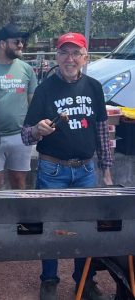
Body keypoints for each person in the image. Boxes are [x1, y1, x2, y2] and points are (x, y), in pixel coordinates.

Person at [21, 32, 113, 300]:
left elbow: (101, 131)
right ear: (57, 57)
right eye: (64, 53)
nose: (69, 59)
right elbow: (26, 134)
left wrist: (106, 171)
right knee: (51, 228)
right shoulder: (45, 89)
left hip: (86, 171)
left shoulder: (94, 87)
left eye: (76, 53)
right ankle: (49, 280)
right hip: (53, 171)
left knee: (84, 229)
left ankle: (84, 280)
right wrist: (38, 130)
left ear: (85, 57)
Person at [0, 23, 37, 190]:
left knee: (19, 181)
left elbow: (33, 102)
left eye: (22, 41)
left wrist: (34, 130)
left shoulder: (27, 69)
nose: (21, 45)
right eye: (16, 41)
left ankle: (19, 216)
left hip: (20, 136)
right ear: (3, 44)